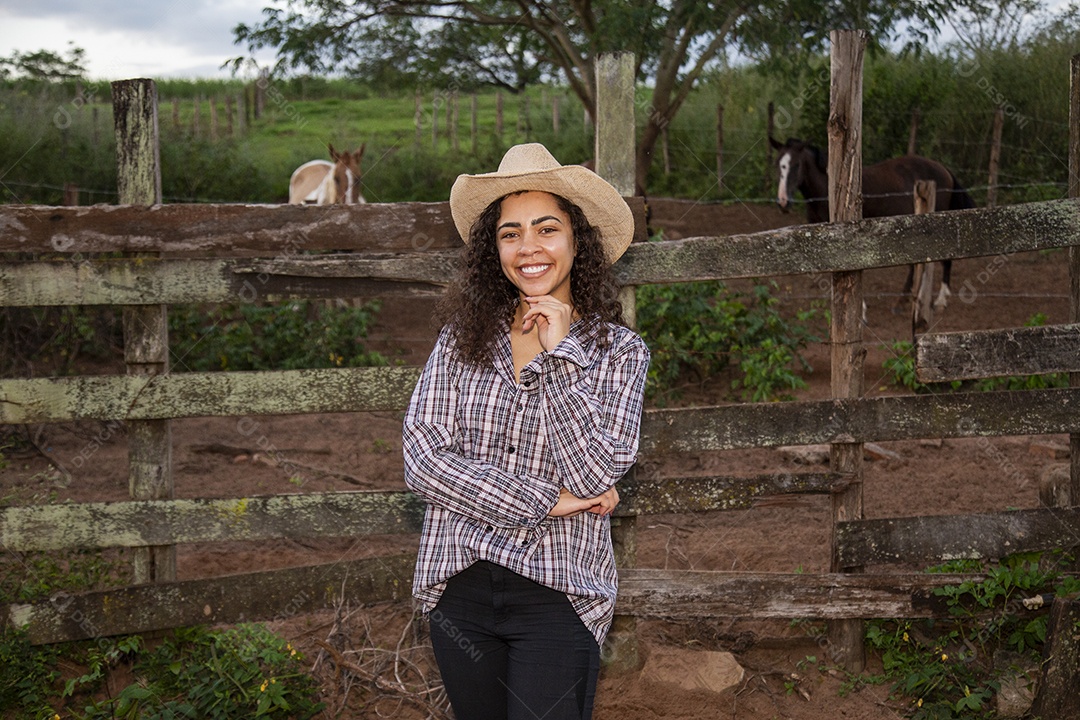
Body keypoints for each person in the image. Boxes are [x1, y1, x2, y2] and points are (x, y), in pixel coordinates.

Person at [402, 143, 650, 720]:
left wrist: (561, 354)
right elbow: (423, 461)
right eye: (510, 233)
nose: (528, 248)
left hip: (558, 593)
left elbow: (595, 473)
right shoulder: (461, 342)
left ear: (576, 241)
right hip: (459, 587)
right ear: (494, 250)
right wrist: (549, 501)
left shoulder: (618, 354)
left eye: (546, 229)